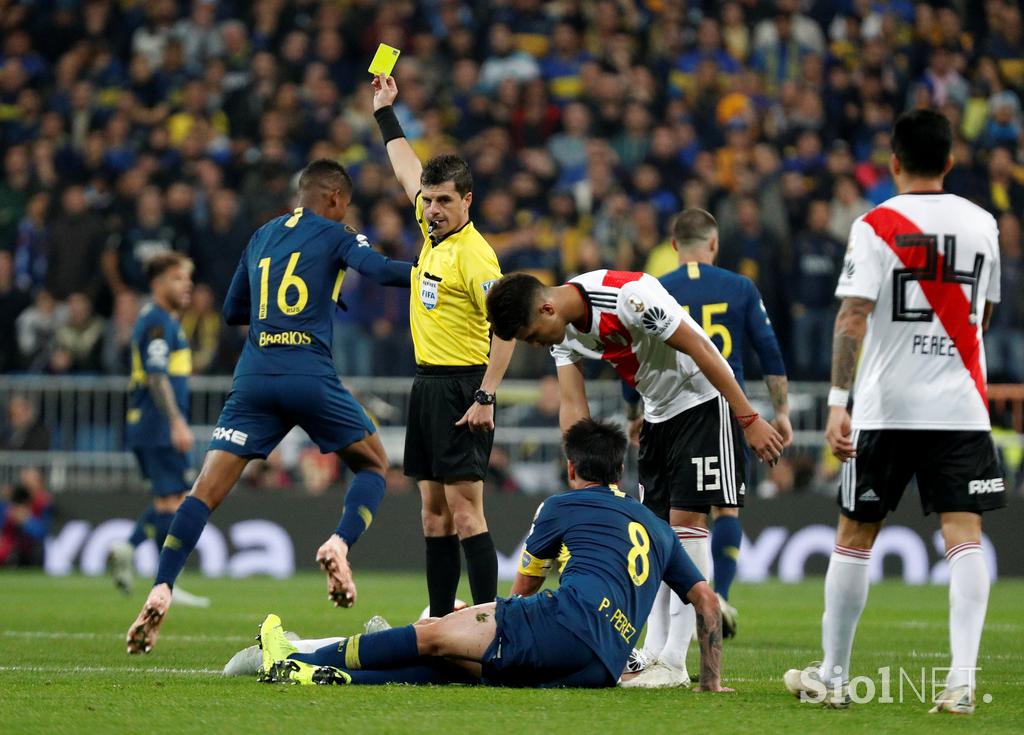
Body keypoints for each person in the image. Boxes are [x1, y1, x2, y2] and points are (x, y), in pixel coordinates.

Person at [125, 159, 413, 654]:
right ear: (337, 199)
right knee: (373, 464)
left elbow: (234, 310)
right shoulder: (338, 233)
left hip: (255, 378)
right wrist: (440, 277)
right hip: (309, 375)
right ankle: (339, 543)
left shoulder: (261, 236)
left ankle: (162, 586)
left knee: (202, 492)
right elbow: (383, 272)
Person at [784, 110, 1005, 715]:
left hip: (886, 406)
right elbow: (982, 322)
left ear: (894, 162)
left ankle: (833, 676)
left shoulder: (875, 224)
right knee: (964, 536)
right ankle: (960, 682)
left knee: (856, 534)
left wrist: (836, 403)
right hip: (960, 406)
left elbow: (852, 316)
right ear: (951, 161)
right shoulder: (984, 224)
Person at [256, 419, 730, 691]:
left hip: (565, 623)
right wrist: (711, 683)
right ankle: (332, 678)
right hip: (601, 666)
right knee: (458, 664)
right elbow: (708, 604)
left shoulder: (562, 505)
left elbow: (526, 588)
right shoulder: (659, 528)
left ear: (570, 467)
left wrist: (487, 614)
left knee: (434, 634)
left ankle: (300, 660)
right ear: (620, 471)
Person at [485, 268, 784, 688]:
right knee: (657, 532)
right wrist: (582, 470)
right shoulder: (564, 331)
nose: (536, 343)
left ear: (547, 307)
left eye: (533, 334)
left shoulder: (628, 297)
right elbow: (572, 403)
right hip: (656, 415)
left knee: (687, 527)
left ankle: (676, 662)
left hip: (700, 403)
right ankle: (656, 651)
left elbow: (701, 347)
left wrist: (748, 416)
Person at [371, 73, 515, 617]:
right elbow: (406, 167)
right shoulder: (433, 231)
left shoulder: (475, 254)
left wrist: (486, 396)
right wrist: (386, 112)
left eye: (443, 201)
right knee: (432, 513)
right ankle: (438, 618)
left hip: (463, 386)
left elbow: (506, 327)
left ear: (467, 201)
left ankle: (486, 621)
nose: (431, 209)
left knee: (466, 512)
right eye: (428, 200)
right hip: (427, 384)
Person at [636, 208, 792, 651]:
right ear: (714, 244)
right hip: (725, 409)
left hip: (665, 410)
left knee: (670, 518)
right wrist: (781, 413)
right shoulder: (739, 286)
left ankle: (669, 634)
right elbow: (768, 350)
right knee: (723, 511)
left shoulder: (658, 288)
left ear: (672, 246)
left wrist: (635, 410)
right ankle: (716, 596)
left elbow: (641, 354)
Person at [108, 252, 207, 607]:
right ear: (158, 284)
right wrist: (177, 422)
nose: (188, 285)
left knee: (169, 499)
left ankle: (133, 549)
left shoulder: (162, 320)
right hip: (157, 425)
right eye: (179, 278)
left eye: (188, 279)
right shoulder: (157, 323)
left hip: (150, 426)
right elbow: (156, 375)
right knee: (179, 499)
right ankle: (164, 581)